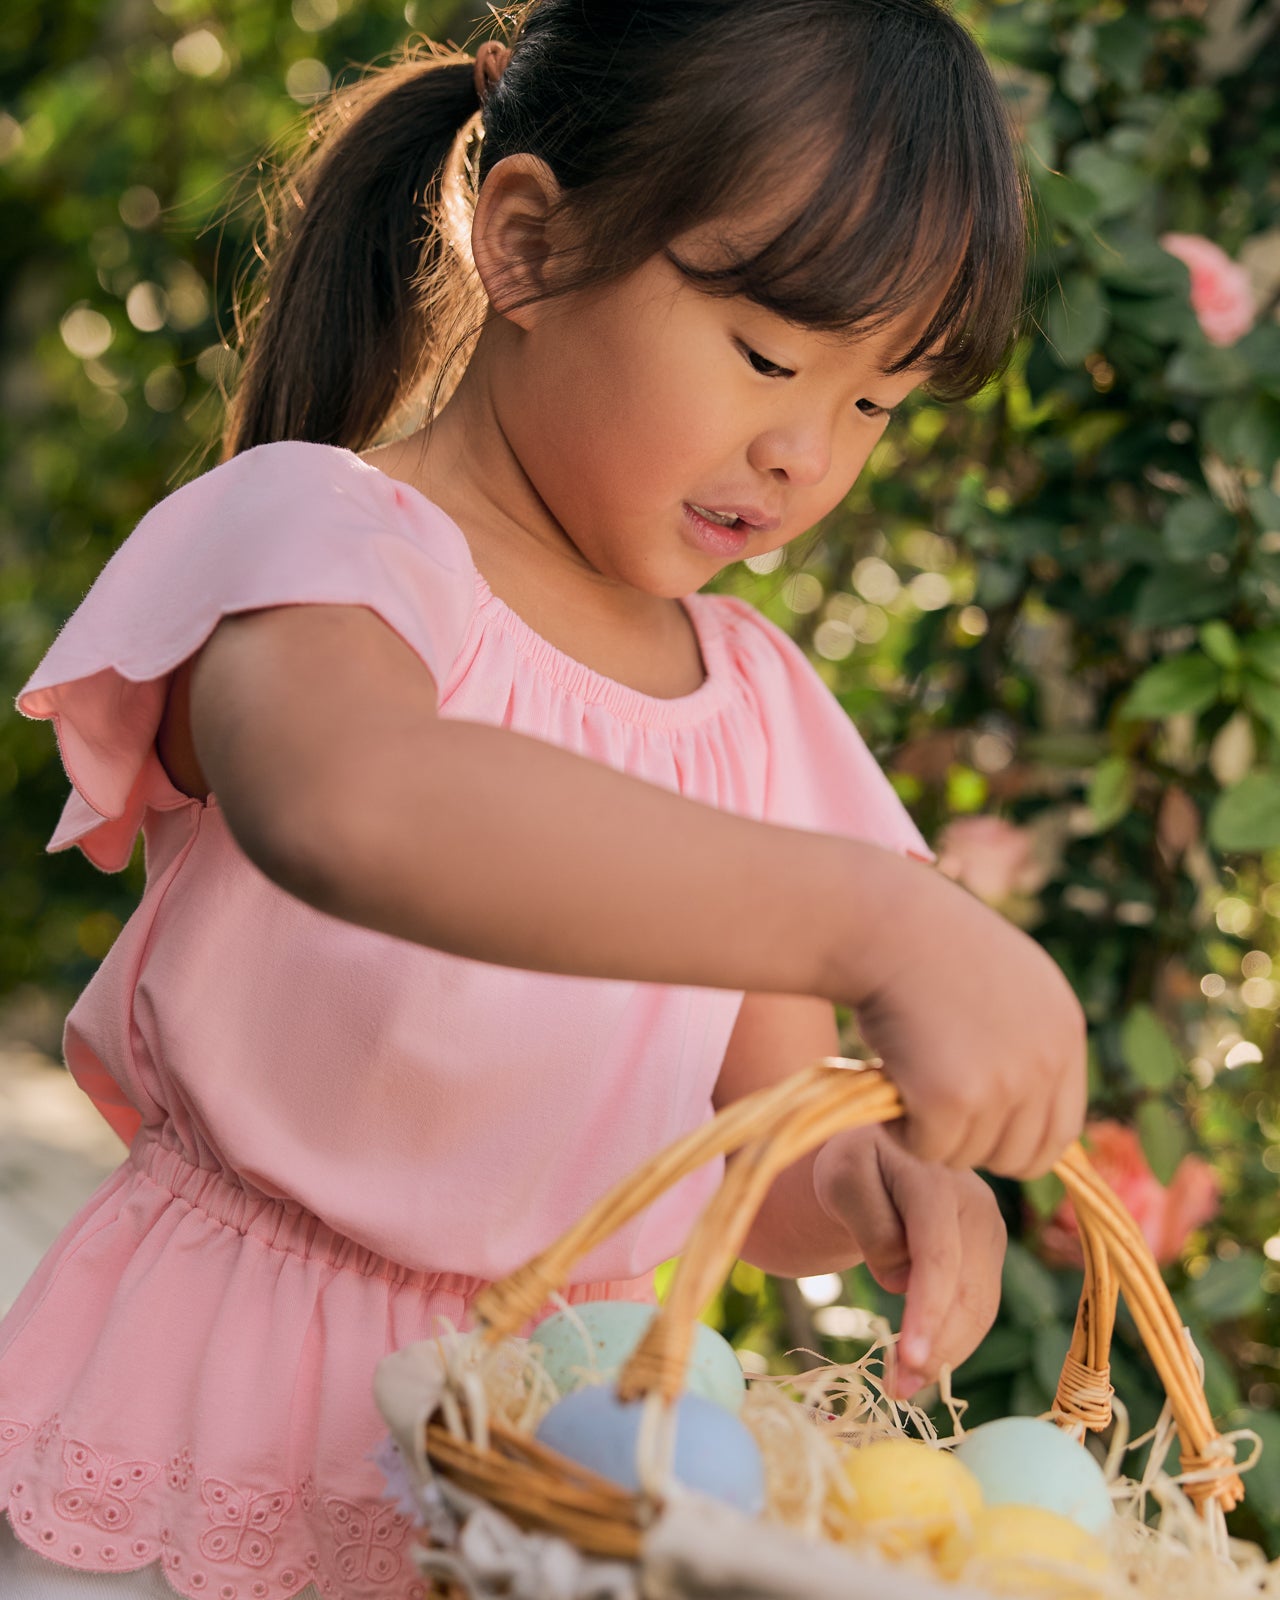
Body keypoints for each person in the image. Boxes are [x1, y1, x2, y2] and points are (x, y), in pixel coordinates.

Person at [0, 2, 1087, 1595]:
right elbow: (357, 803)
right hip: (209, 1418)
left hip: (553, 1469)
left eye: (877, 403)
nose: (807, 452)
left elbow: (754, 1154)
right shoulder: (327, 546)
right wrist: (877, 918)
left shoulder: (752, 708)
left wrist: (869, 1185)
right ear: (529, 243)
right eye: (770, 356)